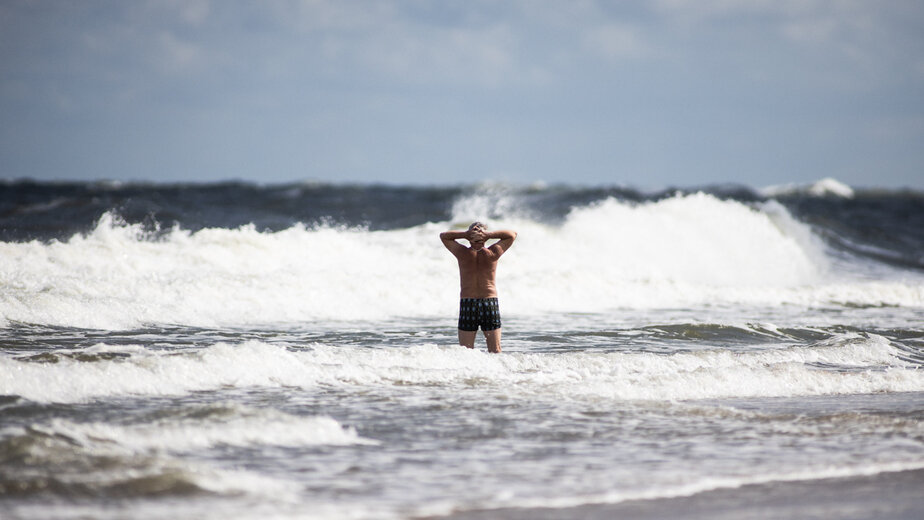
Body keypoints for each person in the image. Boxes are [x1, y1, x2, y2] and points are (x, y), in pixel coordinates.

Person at [440, 222, 517, 353]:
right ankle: (471, 374)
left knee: (495, 350)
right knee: (465, 351)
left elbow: (512, 235)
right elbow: (443, 236)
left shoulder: (493, 252)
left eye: (479, 232)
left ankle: (497, 374)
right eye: (473, 232)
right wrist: (465, 234)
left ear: (485, 236)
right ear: (469, 236)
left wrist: (489, 235)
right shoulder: (462, 252)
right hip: (468, 303)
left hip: (489, 302)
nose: (476, 234)